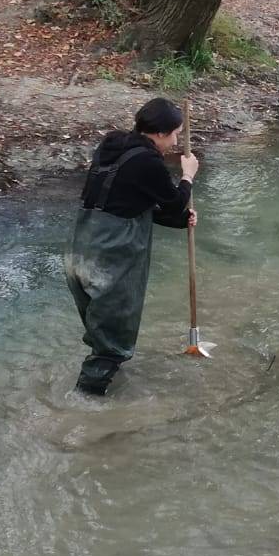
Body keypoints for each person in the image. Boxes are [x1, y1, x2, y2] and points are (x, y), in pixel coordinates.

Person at [65, 98, 198, 396]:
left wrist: (181, 221)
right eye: (175, 134)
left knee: (101, 331)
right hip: (108, 260)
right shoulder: (147, 161)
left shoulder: (112, 147)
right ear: (160, 133)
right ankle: (84, 406)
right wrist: (188, 175)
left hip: (79, 252)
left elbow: (129, 203)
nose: (176, 142)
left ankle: (107, 381)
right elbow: (174, 202)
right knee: (111, 342)